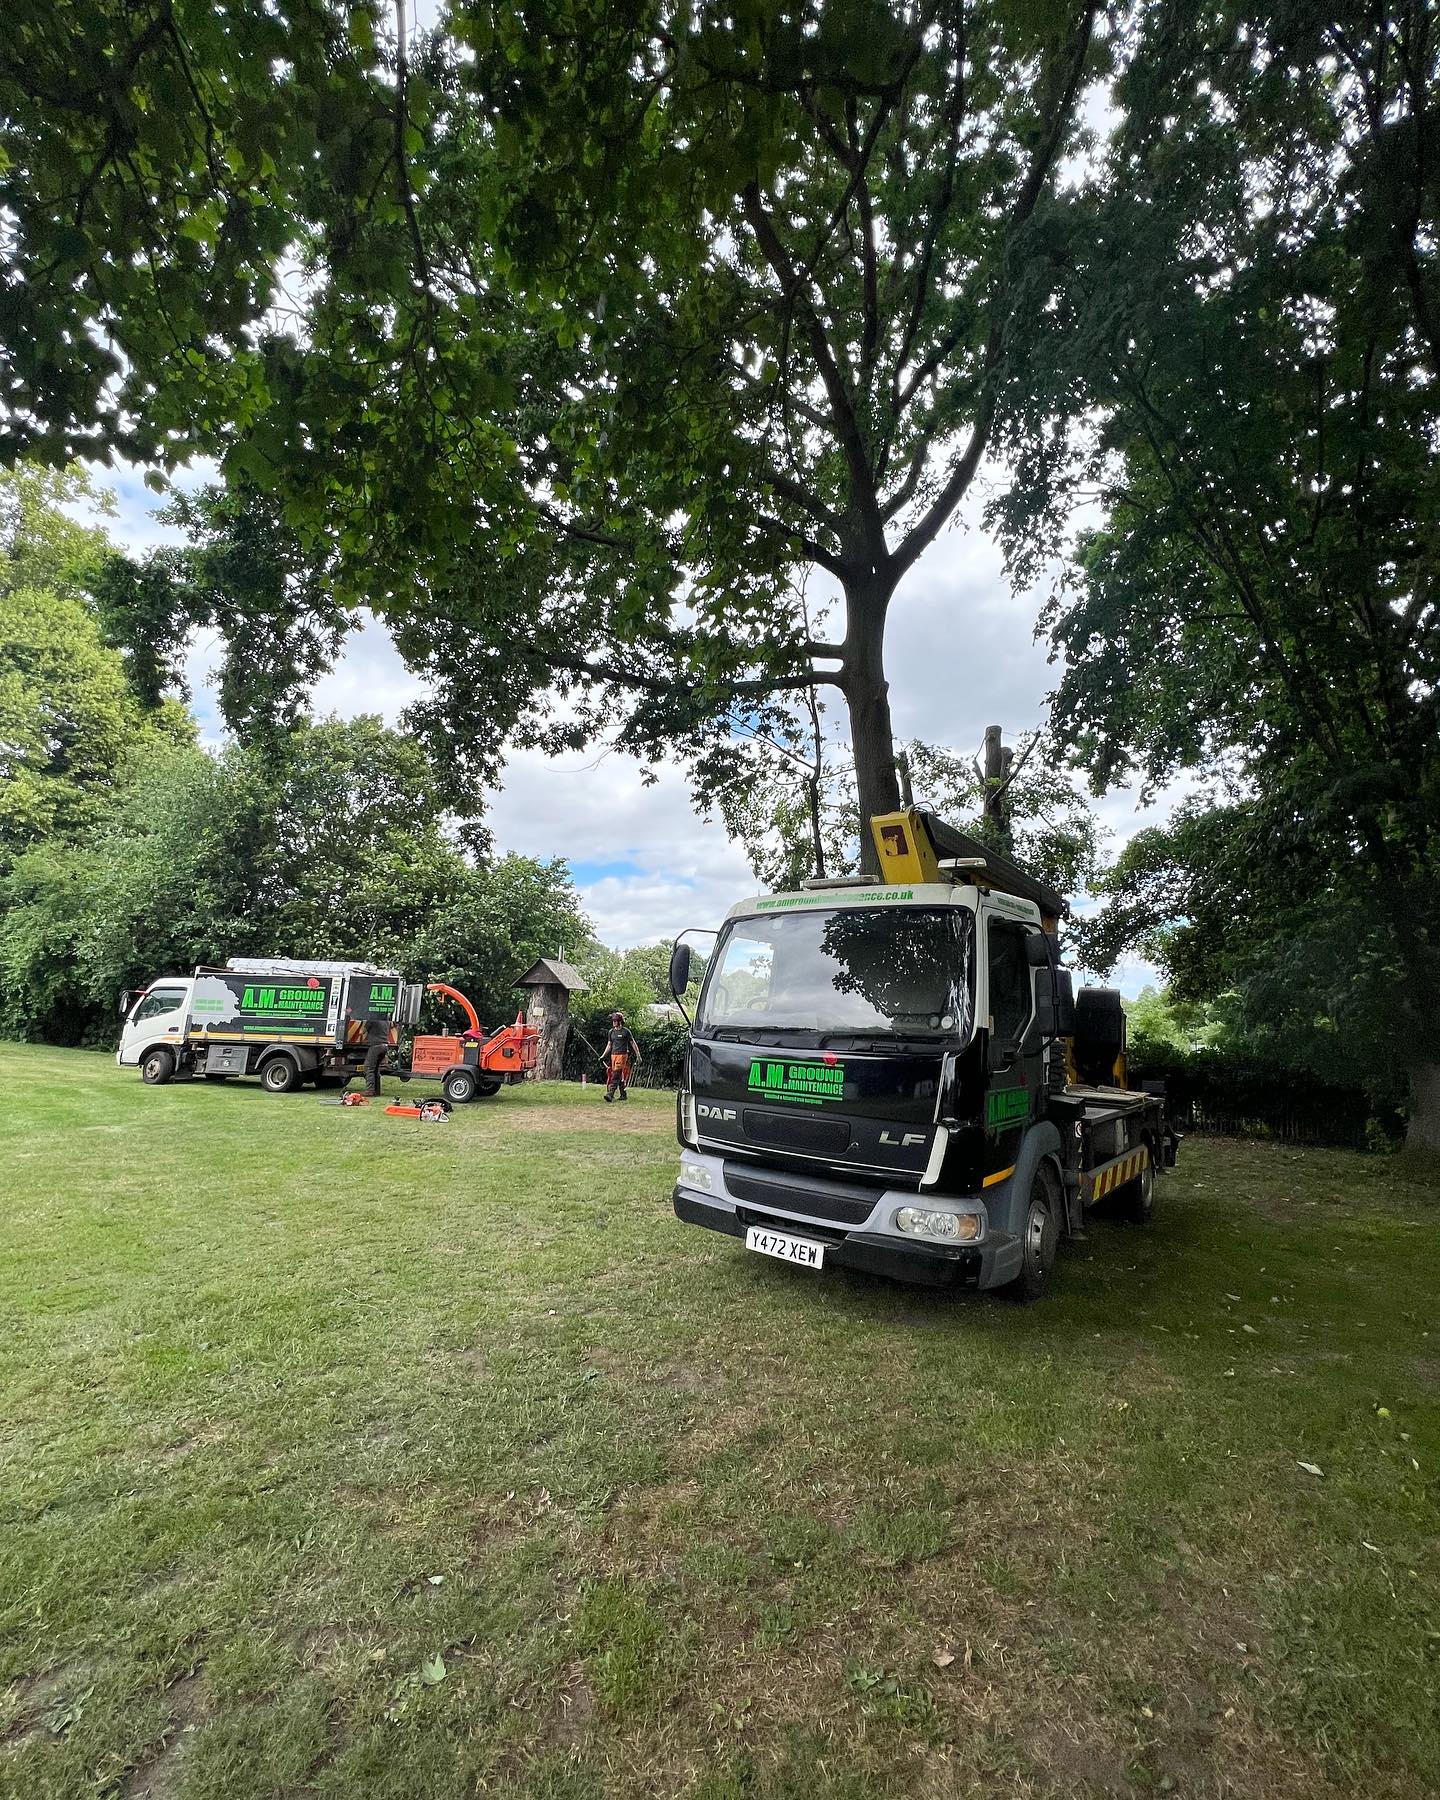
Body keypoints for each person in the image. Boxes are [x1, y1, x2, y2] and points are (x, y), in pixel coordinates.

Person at [603, 1011, 641, 1102]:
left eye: (615, 1021)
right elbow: (609, 1045)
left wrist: (638, 1055)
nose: (613, 1023)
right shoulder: (611, 1032)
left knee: (616, 1074)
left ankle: (610, 1094)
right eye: (613, 1021)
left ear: (620, 1021)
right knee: (619, 1075)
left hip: (622, 1055)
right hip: (613, 1055)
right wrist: (603, 1055)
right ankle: (623, 1094)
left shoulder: (626, 1032)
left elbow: (633, 1043)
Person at [361, 1013, 391, 1097]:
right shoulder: (385, 1021)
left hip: (375, 1046)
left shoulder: (372, 1019)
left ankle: (370, 1091)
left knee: (369, 1068)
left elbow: (362, 1031)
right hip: (384, 1046)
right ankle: (377, 1091)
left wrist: (364, 1022)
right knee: (376, 1069)